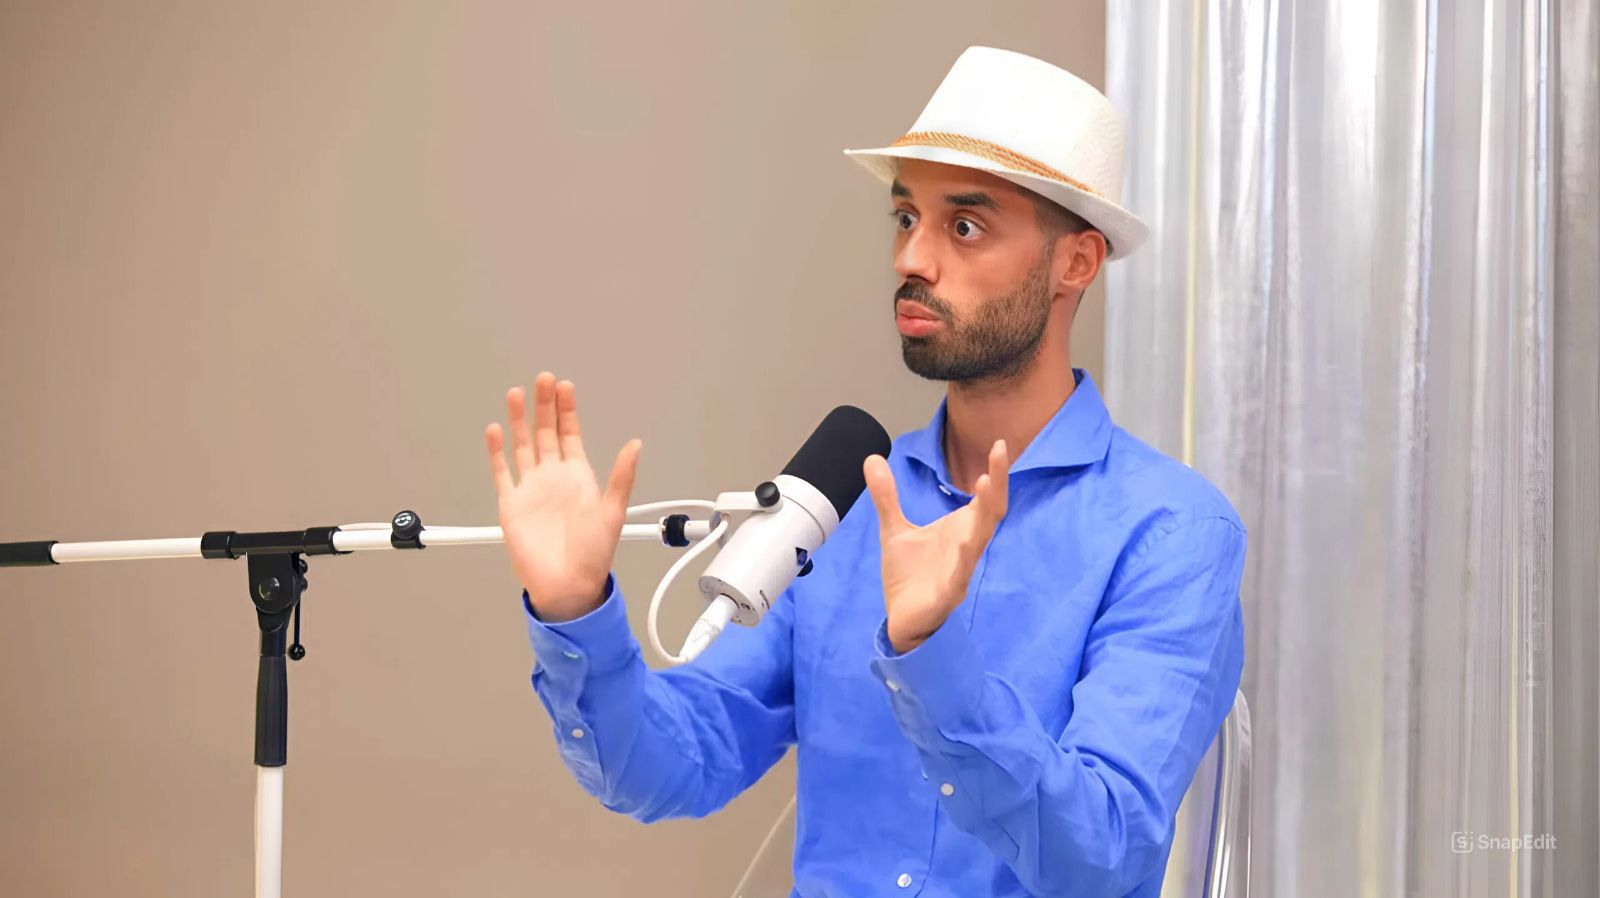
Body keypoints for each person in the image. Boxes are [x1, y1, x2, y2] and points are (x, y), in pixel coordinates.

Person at [483, 46, 1245, 898]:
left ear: (1076, 262)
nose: (911, 259)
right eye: (905, 217)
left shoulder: (1171, 533)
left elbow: (1099, 857)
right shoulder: (843, 507)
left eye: (964, 226)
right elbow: (675, 763)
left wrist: (932, 656)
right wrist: (576, 612)